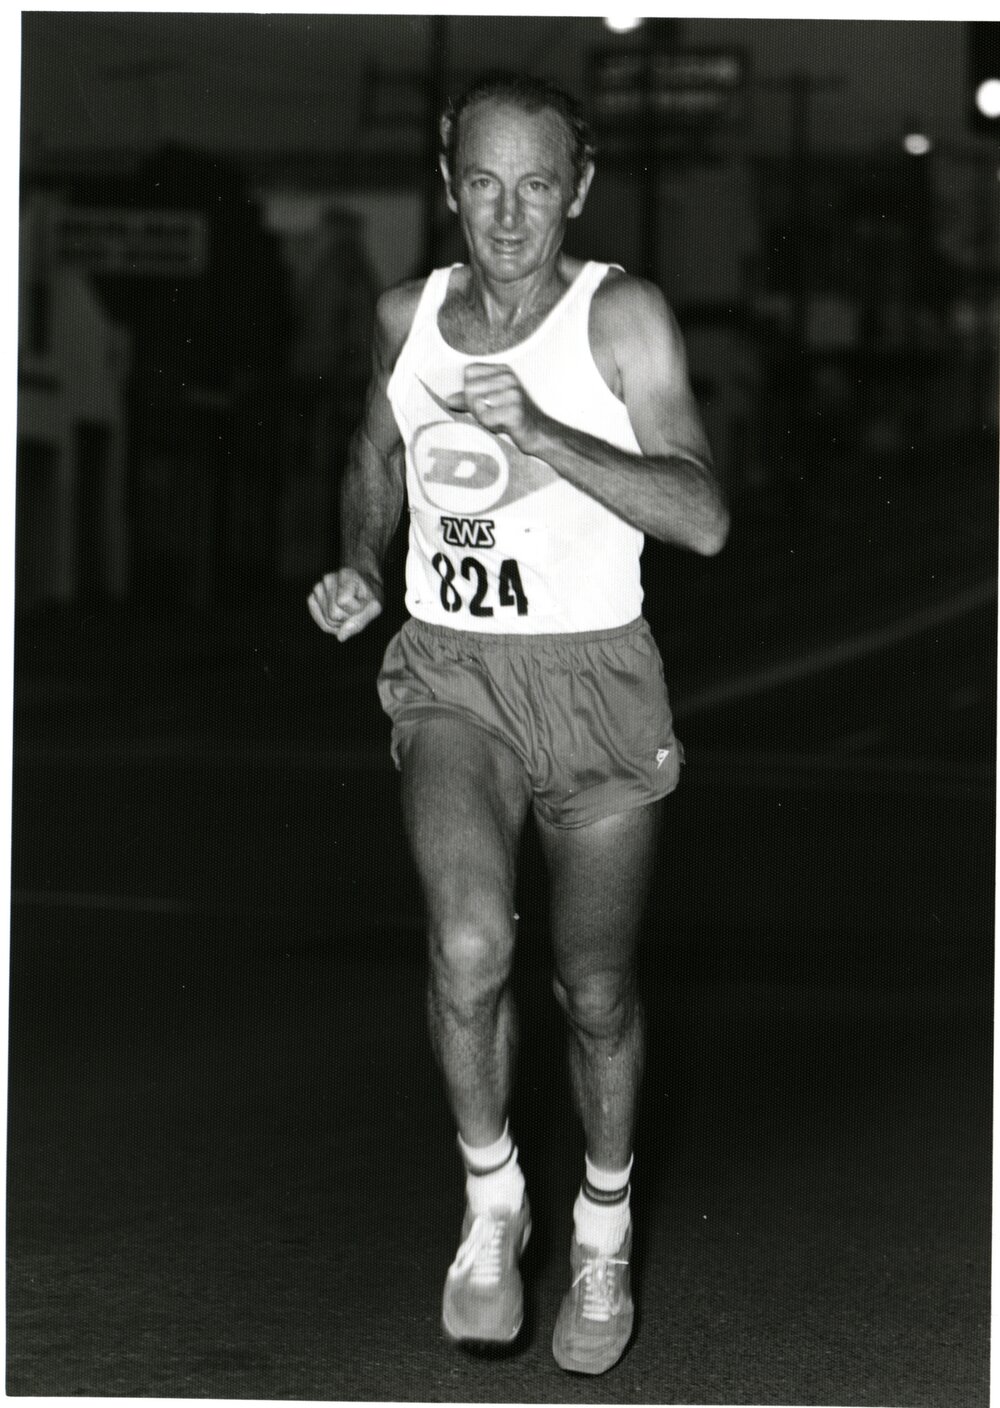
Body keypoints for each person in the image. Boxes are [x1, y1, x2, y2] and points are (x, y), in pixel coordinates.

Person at [309, 74, 728, 1375]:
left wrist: (545, 432)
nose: (506, 216)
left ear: (578, 189)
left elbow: (703, 515)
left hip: (597, 681)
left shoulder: (623, 318)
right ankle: (493, 1205)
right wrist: (360, 562)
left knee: (593, 991)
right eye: (482, 184)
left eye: (535, 186)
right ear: (449, 183)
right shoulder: (407, 318)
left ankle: (601, 1227)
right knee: (469, 944)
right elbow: (376, 455)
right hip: (456, 675)